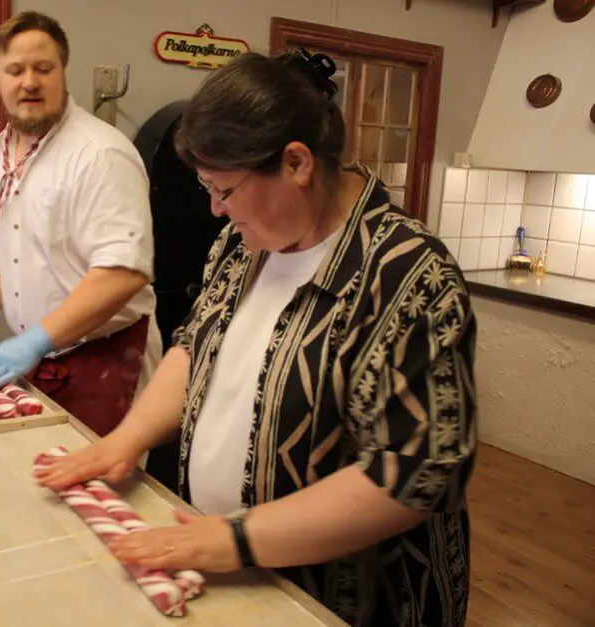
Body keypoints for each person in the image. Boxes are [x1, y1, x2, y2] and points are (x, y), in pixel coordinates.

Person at [35, 49, 478, 627]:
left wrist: (239, 540)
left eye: (225, 189)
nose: (217, 211)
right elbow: (195, 346)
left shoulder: (406, 275)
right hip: (232, 573)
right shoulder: (244, 244)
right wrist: (123, 441)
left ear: (296, 163)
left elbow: (415, 470)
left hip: (347, 601)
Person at [0, 11, 162, 437]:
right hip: (43, 357)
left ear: (62, 74)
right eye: (15, 70)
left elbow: (122, 273)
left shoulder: (100, 154)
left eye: (43, 69)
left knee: (95, 488)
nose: (29, 81)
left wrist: (34, 341)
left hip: (106, 358)